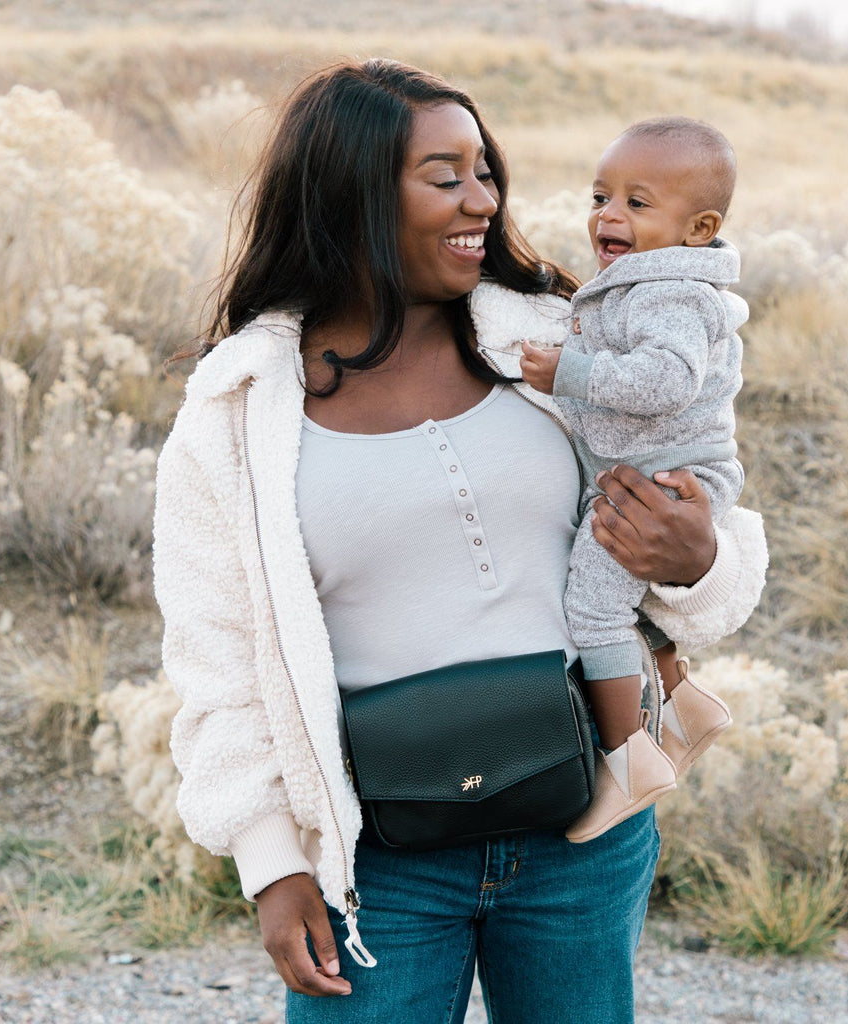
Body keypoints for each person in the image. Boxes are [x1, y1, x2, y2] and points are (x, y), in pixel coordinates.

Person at [153, 59, 768, 1023]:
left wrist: (698, 560)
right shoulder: (239, 410)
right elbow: (214, 654)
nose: (482, 198)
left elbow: (708, 529)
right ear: (351, 194)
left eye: (485, 170)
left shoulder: (550, 337)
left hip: (583, 834)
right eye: (445, 177)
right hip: (376, 863)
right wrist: (273, 864)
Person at [520, 116, 746, 843]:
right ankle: (683, 707)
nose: (608, 216)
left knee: (593, 611)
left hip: (658, 482)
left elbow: (668, 379)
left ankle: (628, 761)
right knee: (627, 603)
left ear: (699, 227)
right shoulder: (643, 280)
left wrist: (569, 372)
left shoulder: (669, 291)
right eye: (600, 196)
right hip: (651, 471)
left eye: (637, 203)